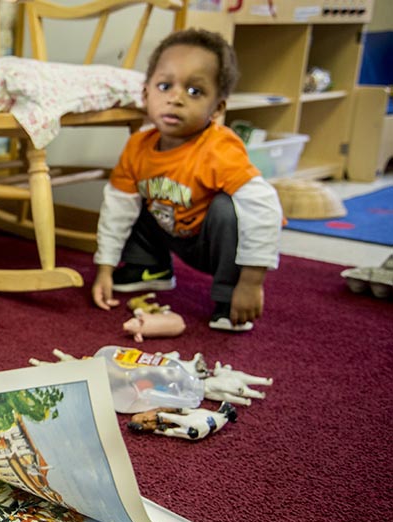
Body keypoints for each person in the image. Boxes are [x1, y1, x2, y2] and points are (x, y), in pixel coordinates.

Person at [92, 28, 283, 332]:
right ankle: (149, 268)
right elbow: (116, 210)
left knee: (227, 207)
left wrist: (251, 283)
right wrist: (104, 269)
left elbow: (265, 208)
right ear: (146, 93)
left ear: (217, 108)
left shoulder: (219, 148)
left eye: (195, 92)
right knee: (129, 198)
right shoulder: (137, 146)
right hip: (171, 229)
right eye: (165, 86)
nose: (176, 98)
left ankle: (227, 295)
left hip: (214, 245)